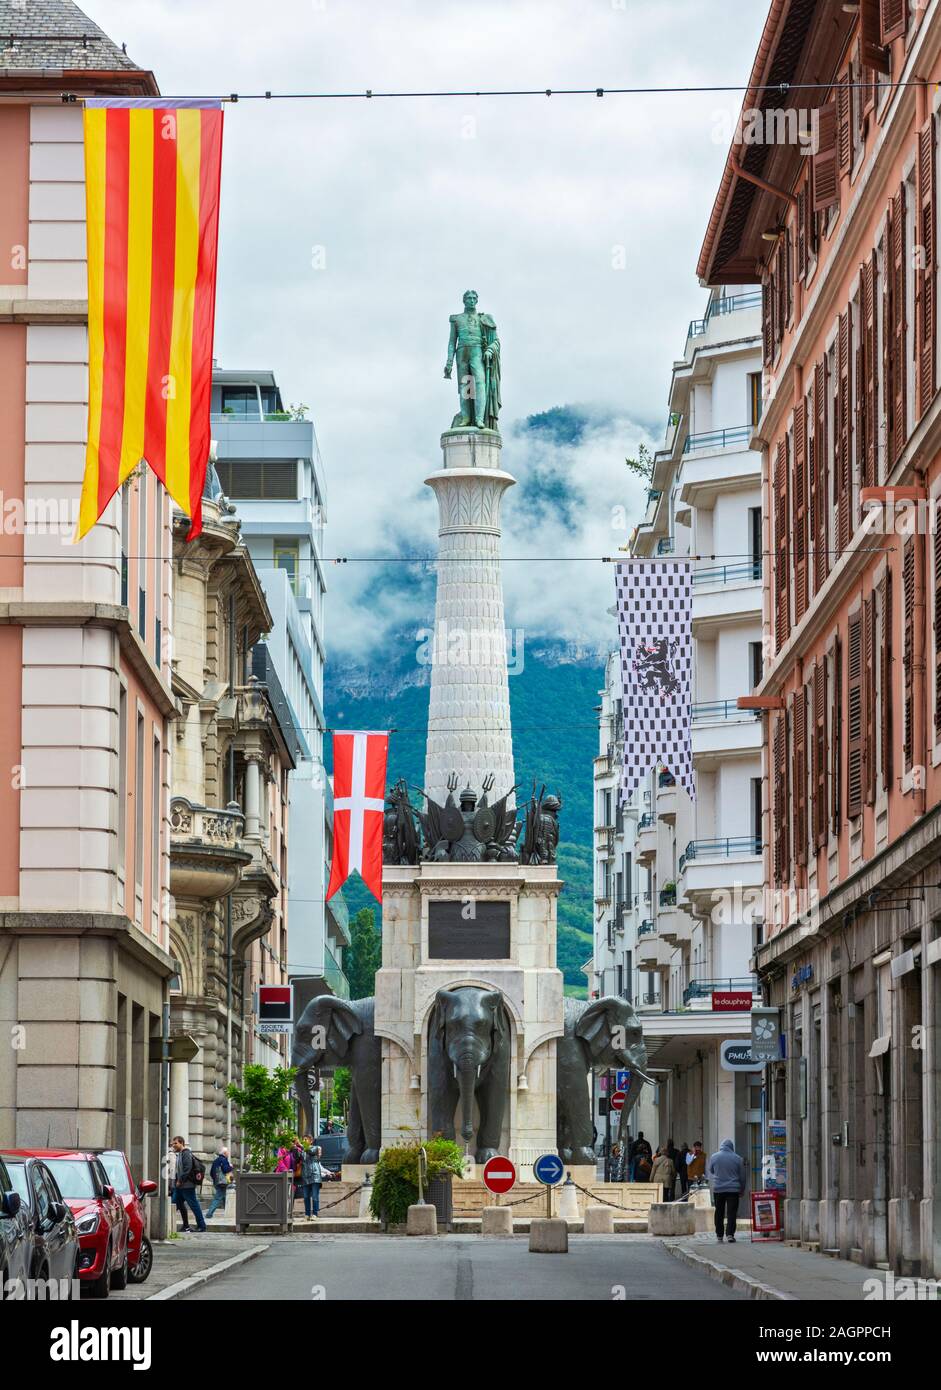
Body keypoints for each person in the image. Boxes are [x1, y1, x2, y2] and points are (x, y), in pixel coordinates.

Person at [707, 1138, 747, 1242]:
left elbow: (711, 1170)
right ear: (731, 1147)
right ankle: (730, 1234)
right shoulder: (738, 1158)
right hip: (733, 1190)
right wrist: (742, 1189)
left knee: (719, 1212)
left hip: (718, 1189)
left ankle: (719, 1234)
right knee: (731, 1212)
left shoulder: (714, 1157)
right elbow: (743, 1176)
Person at [171, 1135, 207, 1232]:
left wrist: (180, 1180)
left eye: (175, 1143)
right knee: (175, 1204)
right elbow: (178, 1170)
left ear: (181, 1143)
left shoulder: (186, 1153)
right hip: (180, 1187)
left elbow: (187, 1169)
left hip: (187, 1186)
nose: (173, 1145)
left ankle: (202, 1226)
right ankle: (185, 1225)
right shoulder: (179, 1154)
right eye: (172, 1143)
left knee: (194, 1205)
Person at [205, 1146, 232, 1219]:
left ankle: (229, 1212)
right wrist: (230, 1167)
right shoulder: (224, 1160)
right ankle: (209, 1214)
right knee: (218, 1198)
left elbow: (211, 1173)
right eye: (227, 1152)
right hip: (223, 1183)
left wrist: (216, 1180)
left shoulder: (216, 1160)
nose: (228, 1153)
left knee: (225, 1197)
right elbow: (226, 1170)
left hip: (217, 1182)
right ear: (225, 1153)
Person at [299, 1143, 325, 1218]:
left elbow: (311, 1151)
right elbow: (297, 1159)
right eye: (303, 1139)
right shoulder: (302, 1150)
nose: (304, 1141)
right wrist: (295, 1148)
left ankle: (315, 1214)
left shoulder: (317, 1147)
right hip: (305, 1176)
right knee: (306, 1196)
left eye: (306, 1139)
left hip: (315, 1175)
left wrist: (301, 1145)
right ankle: (307, 1214)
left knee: (314, 1196)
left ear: (311, 1141)